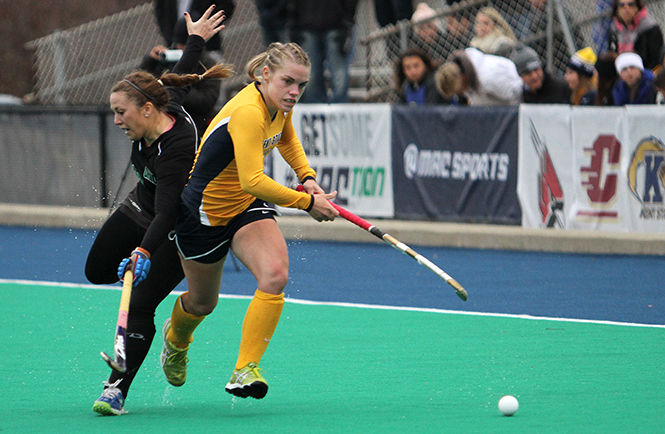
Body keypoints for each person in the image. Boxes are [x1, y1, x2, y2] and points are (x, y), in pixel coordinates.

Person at [160, 42, 339, 400]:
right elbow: (253, 180)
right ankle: (176, 339)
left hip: (244, 207)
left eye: (301, 85)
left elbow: (286, 136)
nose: (295, 92)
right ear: (265, 74)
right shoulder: (248, 111)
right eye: (289, 82)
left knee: (275, 274)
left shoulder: (279, 104)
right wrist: (307, 203)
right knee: (201, 303)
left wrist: (307, 175)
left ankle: (245, 370)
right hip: (203, 215)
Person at [87, 7, 232, 416]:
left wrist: (146, 252)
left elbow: (168, 213)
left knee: (140, 306)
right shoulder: (163, 98)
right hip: (141, 205)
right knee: (96, 270)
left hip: (176, 225)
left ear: (146, 109)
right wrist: (197, 38)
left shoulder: (177, 147)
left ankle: (117, 388)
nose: (117, 120)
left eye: (121, 112)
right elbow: (184, 67)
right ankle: (139, 297)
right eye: (115, 111)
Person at [140, 16, 222, 136]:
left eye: (185, 46)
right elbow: (138, 87)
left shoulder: (207, 64)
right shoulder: (166, 59)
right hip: (165, 123)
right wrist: (150, 63)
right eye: (178, 45)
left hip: (197, 123)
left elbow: (207, 101)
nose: (181, 50)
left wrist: (177, 84)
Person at [287, 0, 358, 103]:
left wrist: (347, 21)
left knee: (339, 75)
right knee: (311, 76)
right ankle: (316, 112)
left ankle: (340, 111)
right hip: (306, 23)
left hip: (336, 23)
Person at [435, 47, 522, 106]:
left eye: (459, 91)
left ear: (463, 78)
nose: (461, 94)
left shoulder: (488, 78)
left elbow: (516, 97)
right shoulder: (470, 81)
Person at [154, 0, 236, 60]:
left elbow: (227, 7)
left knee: (209, 77)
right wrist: (172, 40)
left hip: (207, 46)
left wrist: (207, 27)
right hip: (177, 49)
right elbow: (160, 13)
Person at [608, 0, 663, 70]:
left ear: (637, 7)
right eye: (621, 5)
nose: (626, 8)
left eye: (630, 4)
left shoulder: (649, 28)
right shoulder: (614, 30)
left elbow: (656, 60)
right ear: (617, 10)